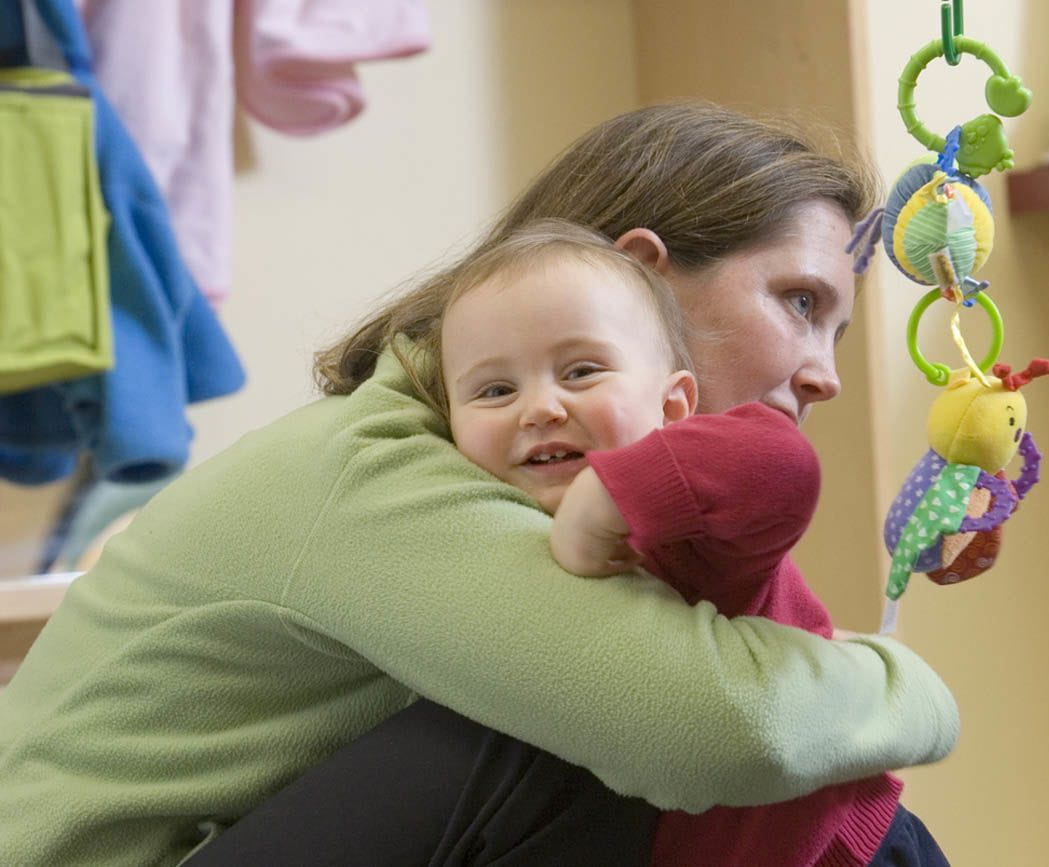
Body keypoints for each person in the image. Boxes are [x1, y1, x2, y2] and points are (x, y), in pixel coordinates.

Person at [0, 102, 958, 867]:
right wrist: (908, 688)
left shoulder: (470, 451)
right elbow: (719, 728)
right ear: (639, 278)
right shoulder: (376, 468)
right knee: (597, 718)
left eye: (834, 328)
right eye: (799, 303)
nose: (822, 369)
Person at [428, 220, 949, 866]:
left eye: (581, 372)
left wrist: (606, 502)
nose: (539, 407)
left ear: (674, 406)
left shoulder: (678, 521)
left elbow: (781, 461)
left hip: (833, 849)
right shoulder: (462, 527)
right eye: (495, 390)